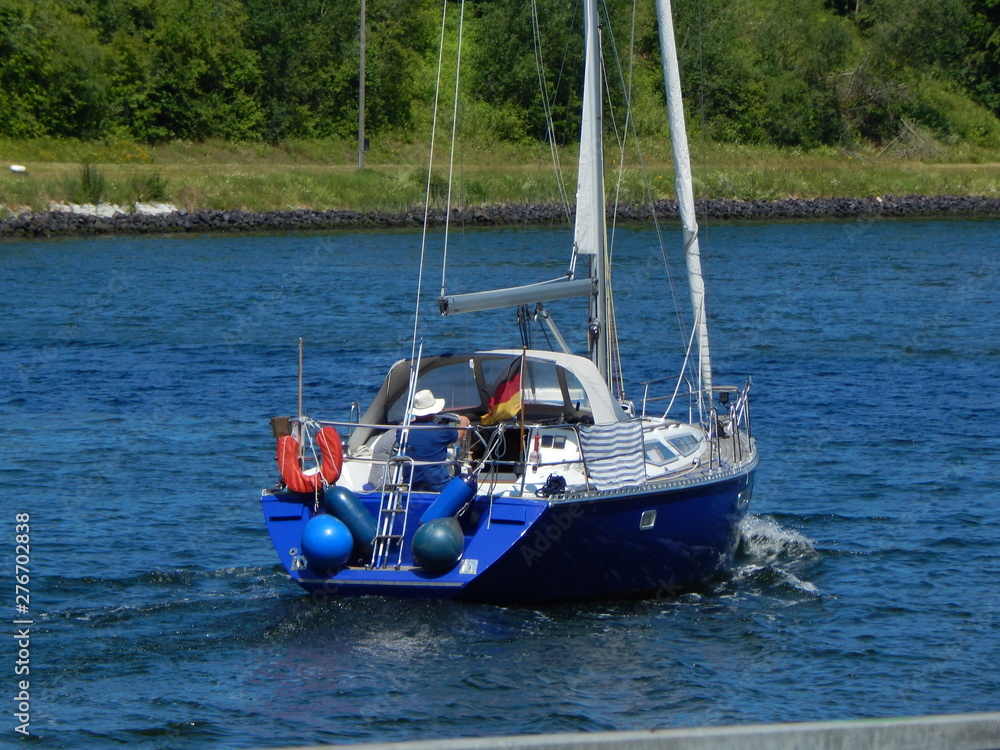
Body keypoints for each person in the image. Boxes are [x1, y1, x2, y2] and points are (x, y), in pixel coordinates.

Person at [400, 389, 470, 491]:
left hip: (411, 485)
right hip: (437, 485)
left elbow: (405, 427)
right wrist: (464, 421)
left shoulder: (402, 431)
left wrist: (414, 420)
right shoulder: (442, 431)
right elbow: (461, 434)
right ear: (433, 412)